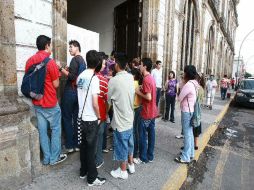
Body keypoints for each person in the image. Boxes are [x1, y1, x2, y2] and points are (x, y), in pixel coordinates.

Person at [25, 35, 67, 165]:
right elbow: (55, 85)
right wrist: (58, 72)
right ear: (47, 45)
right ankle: (54, 158)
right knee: (55, 130)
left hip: (37, 102)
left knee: (42, 131)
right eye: (50, 45)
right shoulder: (50, 62)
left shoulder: (29, 61)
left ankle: (46, 158)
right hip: (50, 102)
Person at [77, 50, 106, 186]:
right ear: (98, 63)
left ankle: (83, 171)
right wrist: (99, 116)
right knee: (91, 149)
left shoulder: (80, 76)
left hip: (80, 117)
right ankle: (92, 178)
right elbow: (95, 103)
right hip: (90, 119)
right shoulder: (94, 79)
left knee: (83, 147)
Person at [108, 53, 135, 180]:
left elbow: (108, 100)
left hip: (120, 121)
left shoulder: (113, 81)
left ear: (117, 65)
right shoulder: (130, 77)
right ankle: (131, 164)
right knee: (129, 143)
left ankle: (123, 171)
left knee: (121, 145)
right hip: (130, 117)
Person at [59, 40, 86, 153]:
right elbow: (80, 78)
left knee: (66, 117)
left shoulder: (75, 59)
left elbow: (72, 77)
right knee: (76, 119)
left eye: (71, 47)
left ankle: (69, 145)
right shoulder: (83, 61)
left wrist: (61, 69)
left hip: (70, 92)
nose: (69, 49)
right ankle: (77, 144)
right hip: (78, 93)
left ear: (77, 48)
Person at [175, 65, 199, 164]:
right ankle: (190, 153)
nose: (183, 74)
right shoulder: (194, 83)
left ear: (187, 73)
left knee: (187, 134)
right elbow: (181, 86)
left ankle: (185, 157)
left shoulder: (189, 84)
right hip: (190, 110)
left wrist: (181, 84)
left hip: (186, 111)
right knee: (189, 133)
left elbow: (179, 97)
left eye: (184, 72)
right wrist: (182, 81)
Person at [136, 58, 157, 163]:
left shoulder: (146, 79)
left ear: (145, 66)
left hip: (146, 112)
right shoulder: (151, 78)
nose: (139, 66)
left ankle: (143, 157)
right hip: (153, 111)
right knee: (151, 134)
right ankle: (150, 156)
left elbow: (148, 97)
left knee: (143, 135)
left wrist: (137, 92)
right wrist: (142, 88)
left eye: (141, 64)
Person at [94, 52, 108, 169]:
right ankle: (98, 160)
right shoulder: (103, 80)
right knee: (99, 138)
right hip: (100, 113)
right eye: (104, 64)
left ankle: (89, 160)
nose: (105, 66)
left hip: (87, 114)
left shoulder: (84, 76)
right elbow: (106, 98)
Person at [131, 68, 143, 164]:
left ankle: (134, 154)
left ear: (133, 75)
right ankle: (136, 153)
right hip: (139, 108)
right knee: (137, 131)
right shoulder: (138, 83)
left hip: (134, 108)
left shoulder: (133, 83)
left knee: (134, 132)